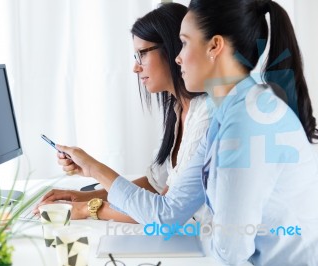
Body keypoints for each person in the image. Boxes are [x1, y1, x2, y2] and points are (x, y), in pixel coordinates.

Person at [48, 0, 318, 265]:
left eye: (185, 42)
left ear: (214, 46)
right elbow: (169, 214)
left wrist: (200, 228)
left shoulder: (247, 121)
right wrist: (93, 171)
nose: (178, 56)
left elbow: (230, 250)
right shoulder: (230, 112)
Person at [35, 3, 210, 222]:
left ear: (173, 48)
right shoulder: (178, 110)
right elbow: (155, 185)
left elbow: (163, 212)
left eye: (142, 54)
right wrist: (83, 196)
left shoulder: (205, 115)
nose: (136, 68)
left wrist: (90, 199)